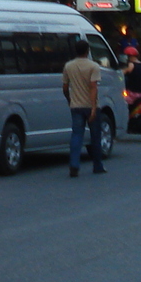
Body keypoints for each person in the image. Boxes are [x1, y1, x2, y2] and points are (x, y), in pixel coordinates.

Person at [61, 39, 105, 178]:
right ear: (88, 51)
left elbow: (65, 87)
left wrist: (69, 100)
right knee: (95, 136)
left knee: (76, 136)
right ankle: (97, 165)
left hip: (76, 106)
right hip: (90, 106)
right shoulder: (93, 66)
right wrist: (93, 108)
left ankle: (74, 164)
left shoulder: (68, 66)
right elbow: (93, 87)